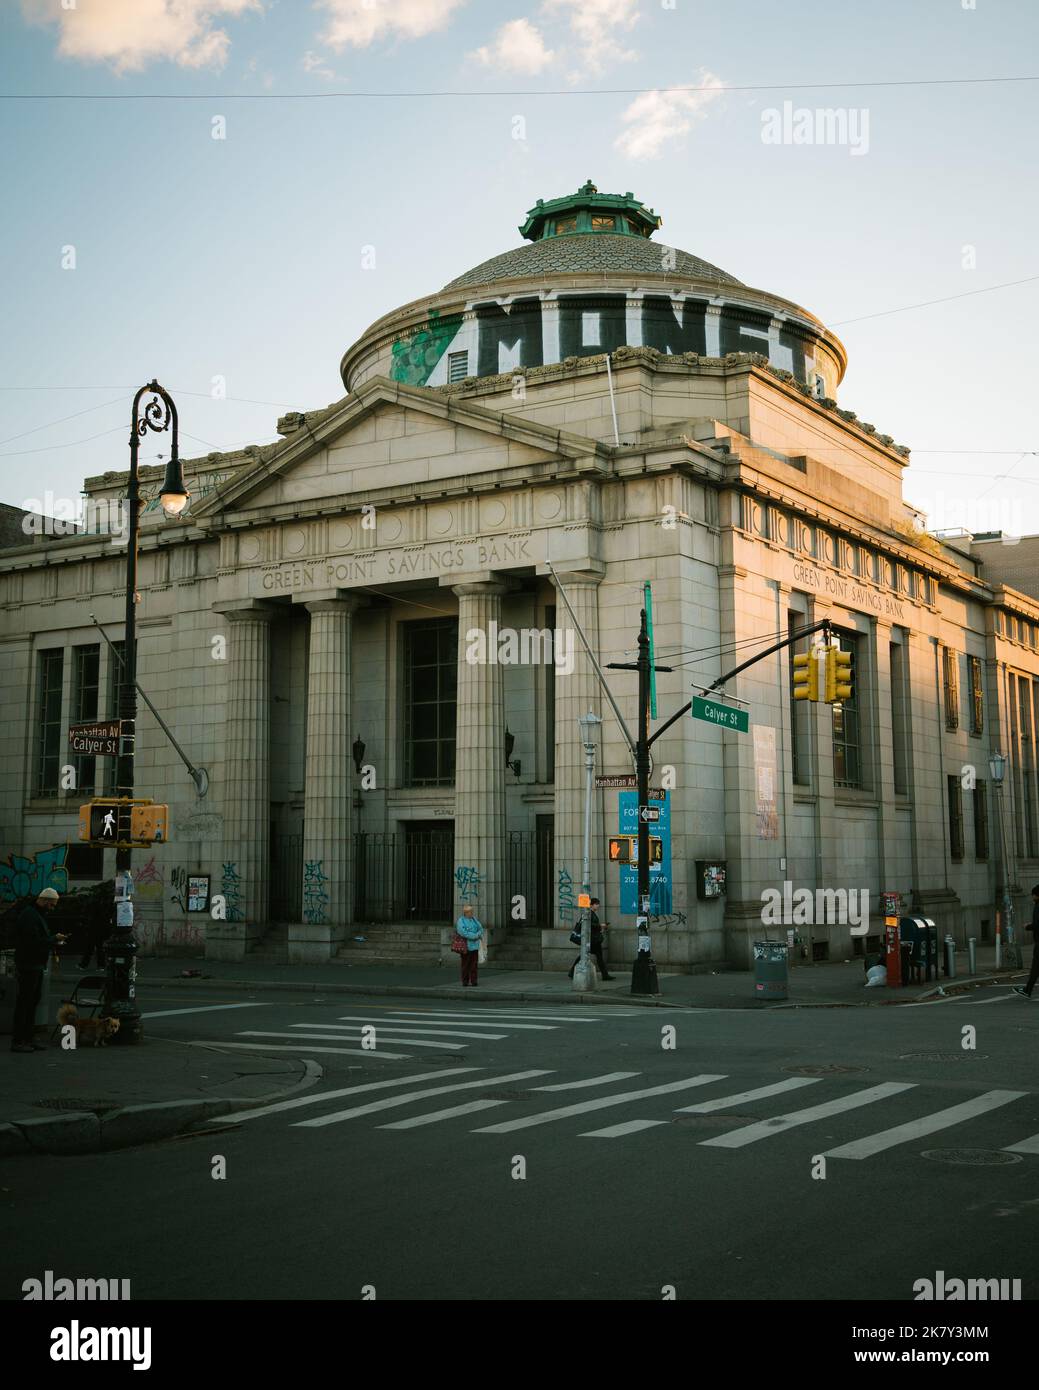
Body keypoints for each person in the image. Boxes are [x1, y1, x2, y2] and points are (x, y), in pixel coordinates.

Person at [11, 888, 67, 1054]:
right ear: (44, 901)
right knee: (25, 1003)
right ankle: (19, 1040)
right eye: (52, 905)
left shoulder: (34, 914)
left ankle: (27, 1038)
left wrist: (52, 939)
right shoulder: (31, 916)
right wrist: (53, 939)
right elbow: (33, 942)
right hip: (29, 964)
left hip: (32, 964)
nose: (52, 908)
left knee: (30, 1002)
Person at [568, 898, 614, 981]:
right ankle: (605, 975)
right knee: (588, 955)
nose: (598, 906)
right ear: (591, 905)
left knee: (589, 955)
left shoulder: (591, 913)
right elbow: (588, 925)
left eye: (598, 904)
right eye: (596, 904)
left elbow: (592, 926)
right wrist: (600, 926)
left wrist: (601, 928)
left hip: (593, 939)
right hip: (592, 940)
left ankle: (605, 975)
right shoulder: (589, 913)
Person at [1013, 884, 1039, 998]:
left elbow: (1038, 924)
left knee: (1036, 967)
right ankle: (1027, 989)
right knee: (1035, 968)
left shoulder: (1038, 906)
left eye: (1033, 894)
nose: (1032, 897)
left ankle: (1027, 990)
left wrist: (1028, 926)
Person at [456, 904, 484, 987]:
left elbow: (481, 929)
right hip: (466, 946)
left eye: (472, 911)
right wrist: (475, 936)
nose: (472, 913)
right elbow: (463, 933)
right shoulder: (461, 921)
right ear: (466, 913)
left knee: (474, 965)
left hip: (475, 946)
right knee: (465, 965)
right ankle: (465, 981)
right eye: (470, 912)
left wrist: (478, 934)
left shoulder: (474, 919)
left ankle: (474, 981)